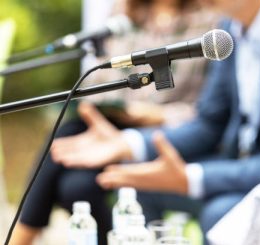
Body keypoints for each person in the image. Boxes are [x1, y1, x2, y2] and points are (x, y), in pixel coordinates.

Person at [47, 0, 260, 243]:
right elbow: (209, 124)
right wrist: (128, 144)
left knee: (222, 213)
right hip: (243, 166)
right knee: (140, 188)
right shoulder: (229, 28)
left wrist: (189, 179)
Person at [10, 1, 217, 245]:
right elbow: (100, 75)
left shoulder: (210, 23)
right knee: (76, 183)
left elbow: (213, 112)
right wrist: (102, 107)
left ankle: (19, 238)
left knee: (73, 178)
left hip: (164, 133)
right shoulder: (125, 15)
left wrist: (154, 115)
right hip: (112, 124)